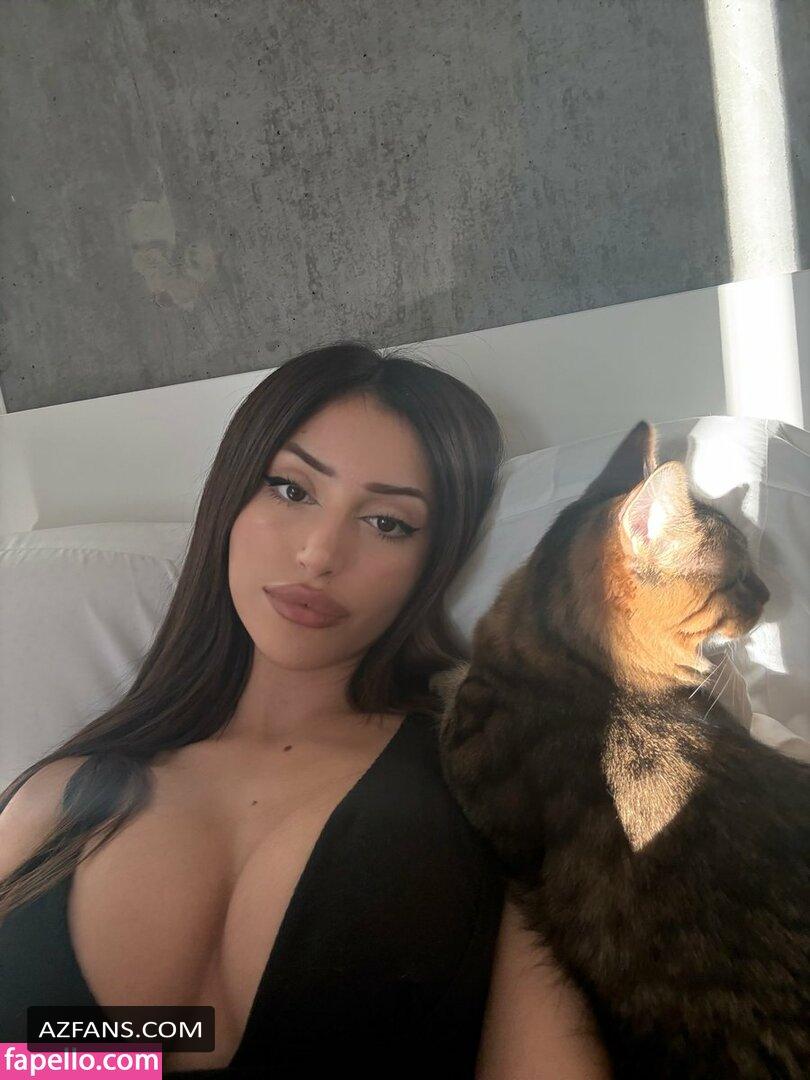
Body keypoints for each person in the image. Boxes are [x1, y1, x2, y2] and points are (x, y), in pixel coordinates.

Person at [0, 341, 610, 1077]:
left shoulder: (501, 773)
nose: (320, 554)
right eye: (291, 490)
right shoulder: (51, 803)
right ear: (231, 498)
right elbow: (56, 1057)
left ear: (434, 561)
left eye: (387, 523)